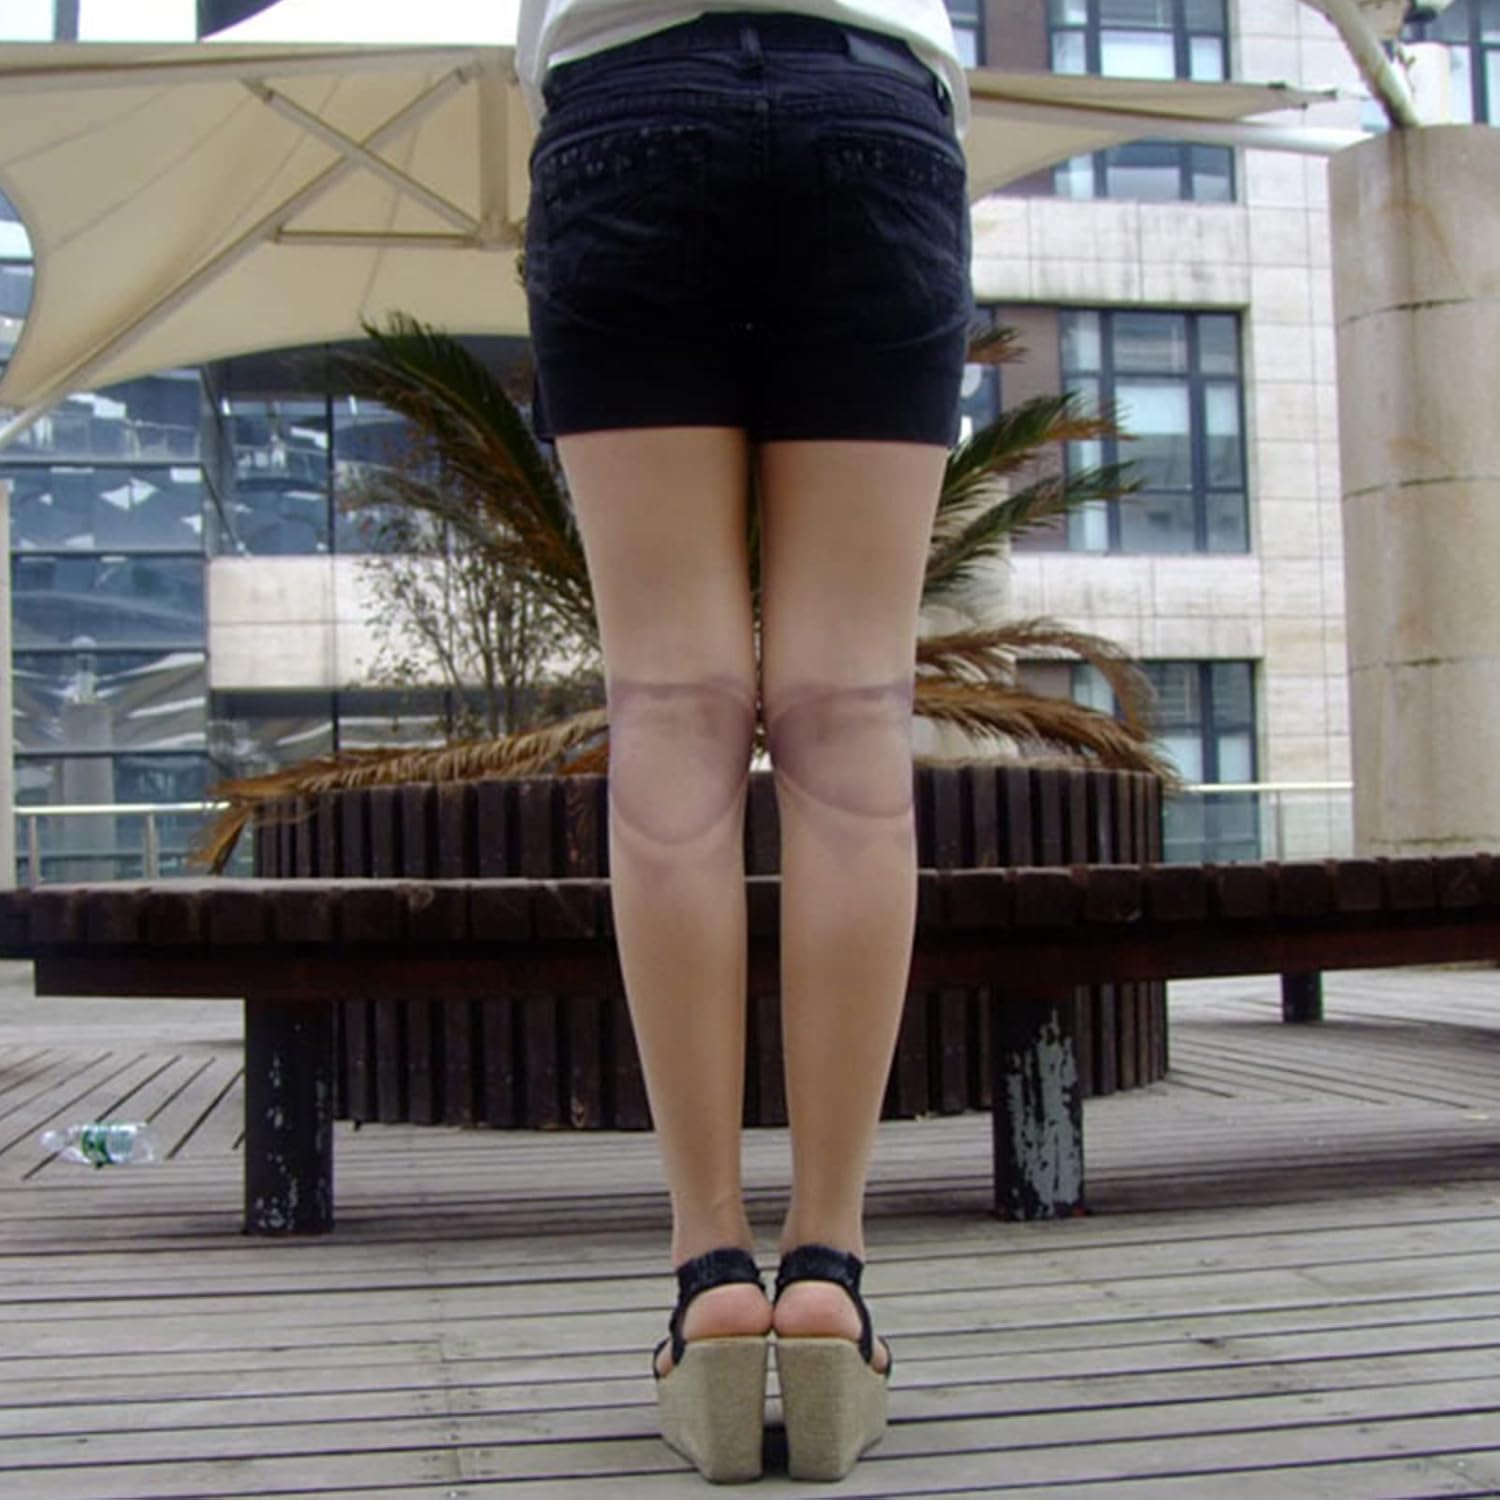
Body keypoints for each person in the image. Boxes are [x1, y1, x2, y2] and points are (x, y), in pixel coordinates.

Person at [516, 0, 973, 1482]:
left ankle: (711, 1275)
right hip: (873, 117)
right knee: (850, 716)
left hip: (626, 107)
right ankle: (829, 1274)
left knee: (670, 706)